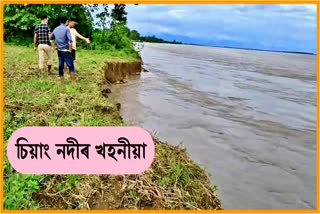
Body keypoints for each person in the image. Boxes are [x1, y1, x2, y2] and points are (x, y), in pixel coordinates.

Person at [50, 17, 75, 84]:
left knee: (60, 66)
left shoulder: (55, 29)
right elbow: (70, 41)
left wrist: (54, 46)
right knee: (71, 66)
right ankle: (73, 82)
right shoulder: (66, 29)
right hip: (66, 51)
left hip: (59, 51)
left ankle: (62, 82)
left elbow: (51, 39)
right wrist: (70, 50)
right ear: (66, 22)